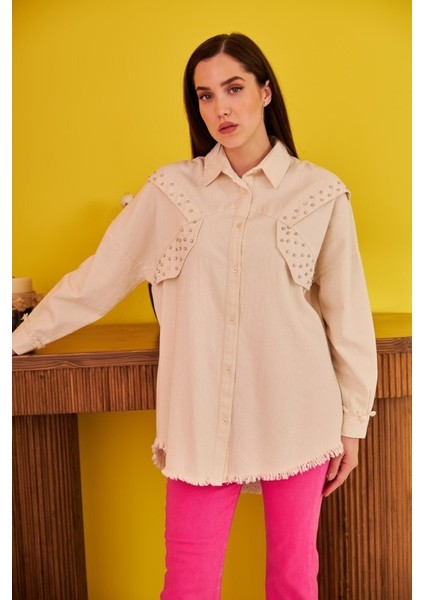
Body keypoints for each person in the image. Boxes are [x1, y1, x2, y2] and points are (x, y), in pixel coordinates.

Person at [12, 33, 378, 599]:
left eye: (234, 89)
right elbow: (99, 277)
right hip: (201, 418)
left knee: (293, 580)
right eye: (205, 96)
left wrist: (353, 424)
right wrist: (19, 338)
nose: (220, 108)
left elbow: (347, 316)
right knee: (187, 584)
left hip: (299, 412)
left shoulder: (320, 193)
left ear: (265, 92)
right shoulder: (171, 192)